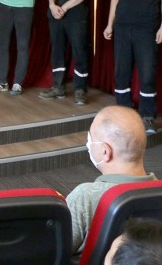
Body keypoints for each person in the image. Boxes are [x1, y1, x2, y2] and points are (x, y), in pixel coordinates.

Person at [66, 105, 157, 255]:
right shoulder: (157, 191)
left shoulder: (85, 197)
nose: (88, 144)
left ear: (105, 151)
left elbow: (51, 251)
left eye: (91, 139)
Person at [103, 0, 162, 135]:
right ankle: (123, 114)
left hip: (147, 28)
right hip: (122, 27)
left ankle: (147, 117)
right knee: (121, 73)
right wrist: (110, 23)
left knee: (147, 74)